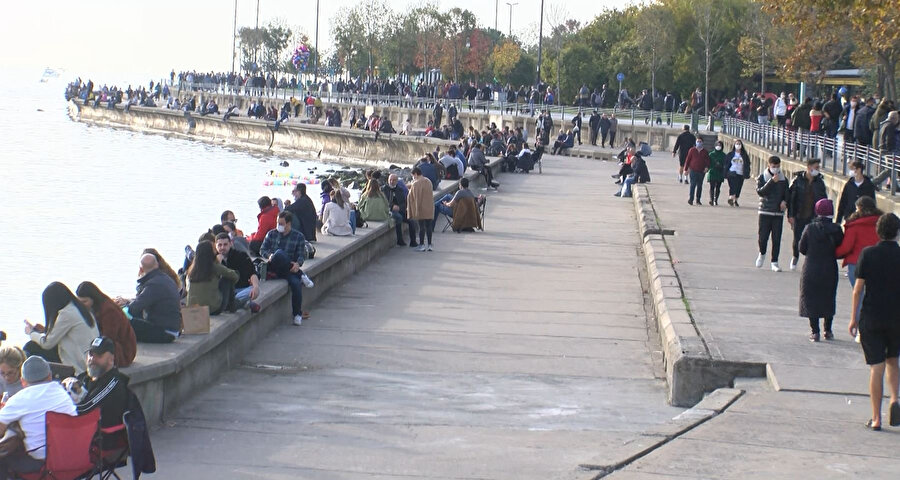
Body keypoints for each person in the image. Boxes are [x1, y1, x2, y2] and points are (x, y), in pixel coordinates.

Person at [848, 213, 900, 431]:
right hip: (896, 317)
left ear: (878, 231)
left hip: (872, 317)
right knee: (893, 361)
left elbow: (858, 289)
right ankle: (895, 399)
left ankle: (876, 418)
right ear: (897, 233)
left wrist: (853, 318)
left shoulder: (868, 254)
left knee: (875, 368)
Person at [0, 356, 76, 479]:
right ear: (50, 376)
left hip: (42, 461)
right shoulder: (62, 392)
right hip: (74, 455)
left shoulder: (20, 399)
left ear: (23, 381)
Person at [24, 282, 99, 374]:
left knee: (31, 347)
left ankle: (31, 375)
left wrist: (31, 333)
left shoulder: (66, 314)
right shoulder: (78, 308)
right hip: (88, 360)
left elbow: (47, 343)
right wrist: (42, 331)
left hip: (79, 368)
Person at [798, 199, 844, 342]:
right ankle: (828, 330)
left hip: (811, 267)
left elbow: (802, 248)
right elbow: (841, 248)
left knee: (811, 298)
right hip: (829, 267)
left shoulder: (809, 228)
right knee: (828, 297)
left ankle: (815, 331)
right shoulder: (836, 230)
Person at [259, 211, 314, 326]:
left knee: (296, 285)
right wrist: (269, 256)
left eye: (281, 223)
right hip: (274, 266)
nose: (278, 225)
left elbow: (301, 255)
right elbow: (262, 250)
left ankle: (297, 314)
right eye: (277, 223)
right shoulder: (271, 234)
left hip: (290, 270)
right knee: (278, 253)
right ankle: (301, 275)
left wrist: (297, 265)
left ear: (289, 224)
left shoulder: (298, 236)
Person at [75, 337, 129, 450]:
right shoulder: (84, 378)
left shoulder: (113, 382)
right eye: (90, 354)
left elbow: (86, 407)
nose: (92, 359)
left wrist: (61, 407)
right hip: (84, 435)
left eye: (98, 356)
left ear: (111, 359)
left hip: (101, 441)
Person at [115, 254, 182, 344]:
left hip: (164, 332)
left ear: (141, 269)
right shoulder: (166, 279)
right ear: (157, 264)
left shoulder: (153, 285)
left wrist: (119, 311)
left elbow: (133, 309)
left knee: (123, 324)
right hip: (172, 328)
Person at [836, 196, 882, 323]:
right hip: (877, 264)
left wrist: (832, 253)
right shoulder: (880, 223)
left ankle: (860, 325)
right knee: (874, 295)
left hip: (856, 263)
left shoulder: (854, 225)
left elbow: (846, 247)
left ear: (860, 209)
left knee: (858, 295)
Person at [75, 282, 137, 368]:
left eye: (85, 301)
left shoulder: (109, 311)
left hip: (123, 352)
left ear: (93, 298)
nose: (82, 305)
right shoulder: (96, 307)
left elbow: (108, 337)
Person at [788, 159, 828, 270]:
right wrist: (790, 215)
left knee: (812, 239)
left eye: (818, 168)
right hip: (799, 214)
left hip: (814, 215)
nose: (817, 170)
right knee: (797, 238)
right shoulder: (797, 180)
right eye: (816, 167)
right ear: (809, 167)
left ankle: (809, 261)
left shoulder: (819, 182)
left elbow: (823, 199)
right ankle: (795, 257)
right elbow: (791, 199)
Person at [756, 156, 790, 272]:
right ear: (769, 165)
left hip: (777, 213)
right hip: (765, 211)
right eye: (773, 166)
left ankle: (774, 262)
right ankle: (762, 253)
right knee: (763, 237)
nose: (776, 169)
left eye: (777, 166)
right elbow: (760, 192)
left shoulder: (784, 179)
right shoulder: (763, 177)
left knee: (776, 239)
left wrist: (785, 201)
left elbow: (787, 194)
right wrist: (771, 182)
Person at [186, 241, 239, 316]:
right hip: (213, 309)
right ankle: (232, 306)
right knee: (226, 279)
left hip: (193, 310)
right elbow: (234, 276)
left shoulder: (191, 271)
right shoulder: (214, 266)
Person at [215, 233, 260, 312]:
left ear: (230, 244)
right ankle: (240, 303)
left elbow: (252, 273)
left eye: (225, 245)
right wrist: (217, 263)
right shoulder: (212, 259)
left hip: (240, 290)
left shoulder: (241, 255)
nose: (222, 248)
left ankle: (233, 303)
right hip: (222, 292)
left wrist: (255, 287)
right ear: (215, 246)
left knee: (252, 290)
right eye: (219, 245)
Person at [383, 174, 416, 247]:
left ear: (397, 181)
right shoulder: (384, 189)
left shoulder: (399, 189)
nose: (391, 181)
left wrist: (400, 207)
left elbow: (404, 202)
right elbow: (383, 202)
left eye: (394, 180)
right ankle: (400, 240)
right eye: (390, 180)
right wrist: (392, 207)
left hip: (400, 210)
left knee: (411, 220)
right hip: (389, 211)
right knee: (399, 218)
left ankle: (413, 241)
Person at [407, 167, 435, 252]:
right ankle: (430, 244)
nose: (413, 178)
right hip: (429, 207)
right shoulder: (428, 181)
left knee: (421, 227)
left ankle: (422, 245)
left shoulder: (416, 184)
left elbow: (412, 197)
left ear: (415, 174)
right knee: (429, 227)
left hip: (420, 208)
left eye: (413, 176)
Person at [684, 136, 710, 206]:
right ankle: (691, 199)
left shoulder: (705, 152)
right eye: (697, 141)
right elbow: (688, 160)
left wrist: (707, 168)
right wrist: (686, 169)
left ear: (702, 143)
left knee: (699, 185)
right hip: (693, 170)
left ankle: (698, 199)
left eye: (700, 142)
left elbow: (708, 161)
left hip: (701, 171)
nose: (699, 143)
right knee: (692, 185)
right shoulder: (692, 150)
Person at [725, 140, 751, 207]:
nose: (738, 145)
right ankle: (731, 197)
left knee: (738, 187)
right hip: (732, 172)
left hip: (740, 173)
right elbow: (726, 163)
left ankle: (735, 199)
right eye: (737, 143)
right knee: (732, 185)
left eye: (739, 144)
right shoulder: (730, 154)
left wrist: (747, 172)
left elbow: (747, 164)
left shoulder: (744, 155)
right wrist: (725, 172)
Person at [707, 140, 727, 206]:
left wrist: (721, 166)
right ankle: (711, 199)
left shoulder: (724, 155)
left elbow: (725, 164)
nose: (718, 146)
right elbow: (708, 163)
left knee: (718, 187)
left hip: (720, 172)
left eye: (720, 145)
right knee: (711, 187)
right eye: (717, 145)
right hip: (712, 172)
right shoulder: (711, 154)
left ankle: (716, 200)